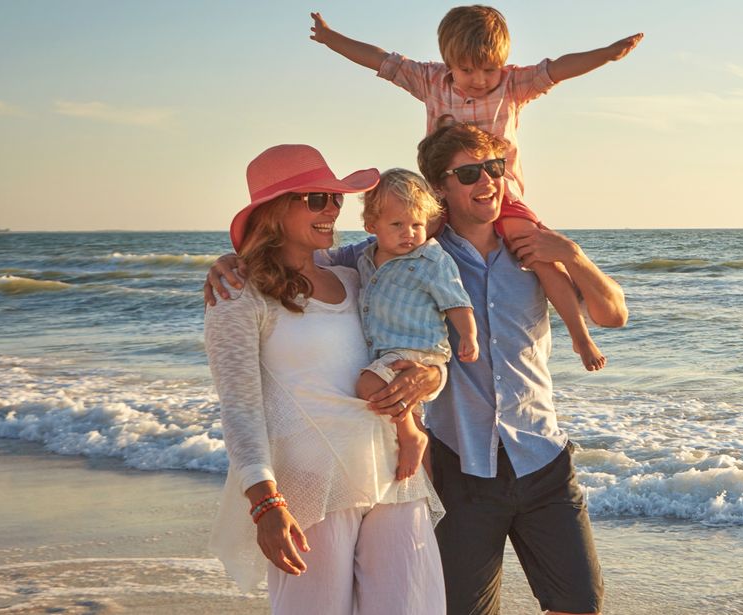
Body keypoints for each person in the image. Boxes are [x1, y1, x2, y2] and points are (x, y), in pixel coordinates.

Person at [206, 124, 629, 615]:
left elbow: (611, 315)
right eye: (469, 173)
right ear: (440, 190)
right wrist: (233, 261)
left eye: (496, 168)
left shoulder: (528, 249)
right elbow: (298, 269)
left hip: (513, 460)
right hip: (437, 467)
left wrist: (572, 255)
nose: (488, 181)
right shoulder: (390, 255)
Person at [307, 5, 641, 372]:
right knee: (401, 248)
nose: (480, 80)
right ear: (448, 62)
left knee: (540, 255)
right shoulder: (430, 81)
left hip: (507, 198)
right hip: (438, 199)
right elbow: (380, 60)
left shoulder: (514, 85)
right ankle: (394, 350)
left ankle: (579, 337)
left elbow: (558, 68)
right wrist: (329, 38)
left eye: (489, 69)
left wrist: (607, 55)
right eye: (467, 69)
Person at [204, 144, 447, 613]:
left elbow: (414, 346)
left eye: (335, 198)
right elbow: (239, 407)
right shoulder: (239, 293)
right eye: (317, 199)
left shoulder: (357, 276)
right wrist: (264, 503)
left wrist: (429, 377)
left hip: (395, 474)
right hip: (310, 483)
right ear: (275, 212)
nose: (333, 209)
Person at [354, 168, 479, 482]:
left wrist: (468, 335)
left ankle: (411, 437)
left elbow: (456, 300)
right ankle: (425, 498)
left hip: (419, 353)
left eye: (417, 225)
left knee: (368, 386)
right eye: (397, 225)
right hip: (388, 354)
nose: (408, 233)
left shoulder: (432, 260)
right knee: (409, 414)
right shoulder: (364, 258)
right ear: (371, 225)